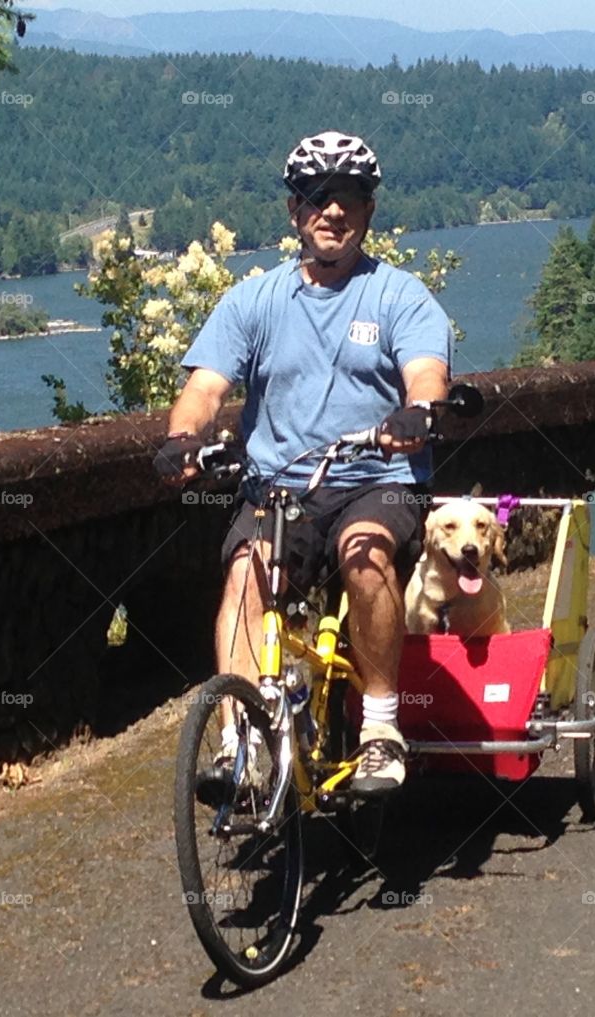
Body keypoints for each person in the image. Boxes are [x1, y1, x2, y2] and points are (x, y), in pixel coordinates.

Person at [153, 130, 453, 795]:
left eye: (349, 198)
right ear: (294, 212)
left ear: (369, 213)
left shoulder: (398, 296)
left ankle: (380, 728)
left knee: (365, 552)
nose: (333, 212)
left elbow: (427, 372)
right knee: (245, 576)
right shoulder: (255, 301)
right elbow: (205, 388)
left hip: (380, 481)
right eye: (318, 198)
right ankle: (241, 745)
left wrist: (417, 413)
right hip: (282, 488)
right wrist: (181, 440)